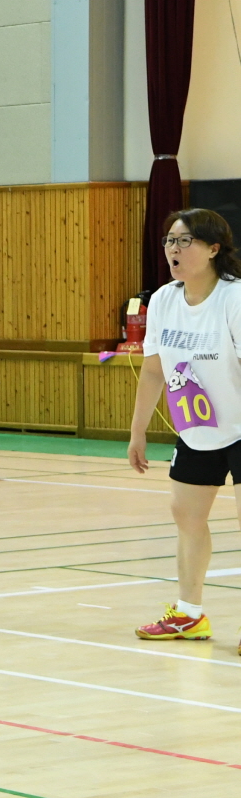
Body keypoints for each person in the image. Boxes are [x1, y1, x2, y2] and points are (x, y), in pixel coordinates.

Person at [130, 208, 241, 648]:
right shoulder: (163, 300)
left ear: (214, 249)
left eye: (185, 241)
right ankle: (190, 615)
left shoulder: (234, 299)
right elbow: (154, 371)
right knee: (186, 516)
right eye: (169, 242)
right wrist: (138, 431)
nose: (174, 250)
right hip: (197, 426)